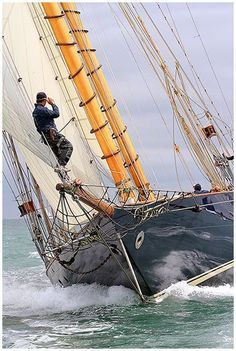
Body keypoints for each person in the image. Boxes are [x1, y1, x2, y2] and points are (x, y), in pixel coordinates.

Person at [32, 92, 73, 171]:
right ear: (44, 100)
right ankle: (61, 166)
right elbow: (56, 114)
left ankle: (60, 168)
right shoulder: (42, 109)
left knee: (59, 154)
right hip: (51, 134)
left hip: (46, 137)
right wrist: (53, 104)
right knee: (68, 146)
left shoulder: (35, 112)